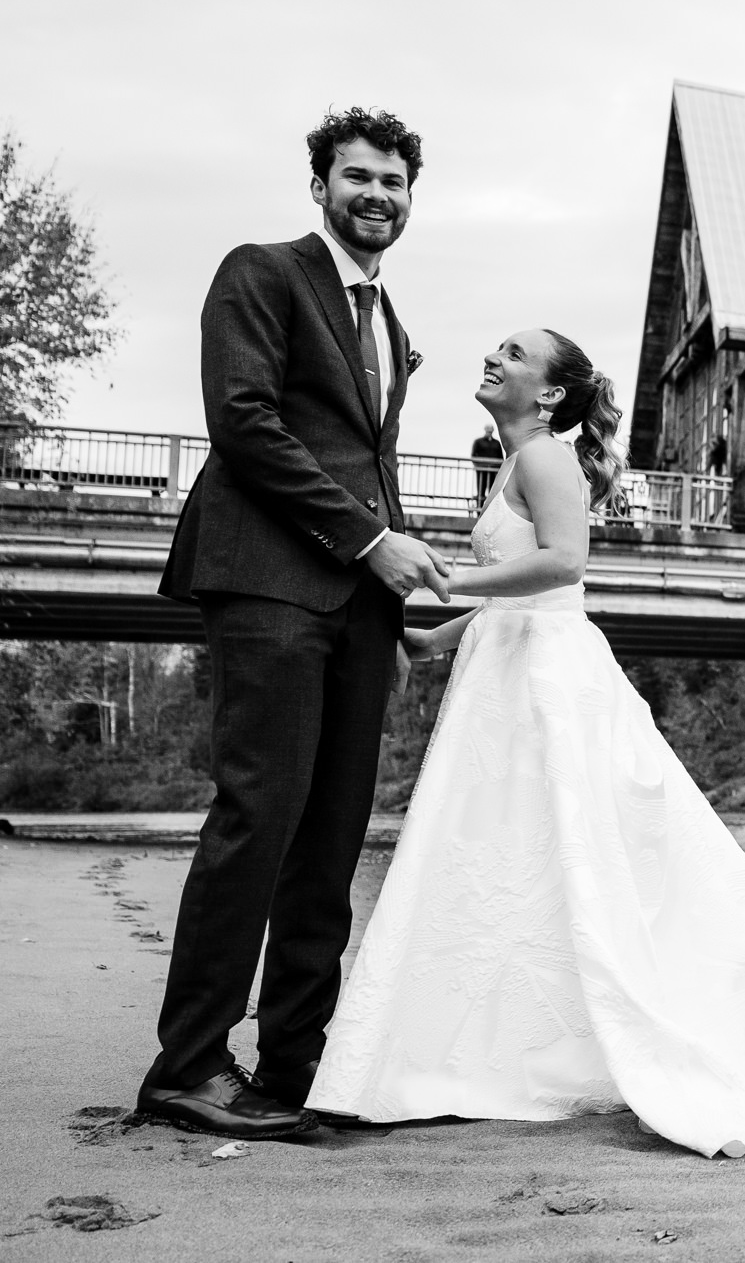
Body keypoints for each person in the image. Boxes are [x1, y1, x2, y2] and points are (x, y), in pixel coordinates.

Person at [306, 330, 745, 1156]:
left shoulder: (544, 459)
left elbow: (564, 567)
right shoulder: (513, 458)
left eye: (514, 353)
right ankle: (494, 1050)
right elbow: (521, 595)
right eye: (494, 346)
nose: (493, 357)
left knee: (584, 855)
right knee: (515, 857)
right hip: (509, 669)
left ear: (547, 395)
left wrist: (445, 577)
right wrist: (433, 639)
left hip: (550, 686)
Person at [142, 109, 452, 1139]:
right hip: (268, 582)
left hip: (360, 605)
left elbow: (372, 462)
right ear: (319, 184)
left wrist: (395, 587)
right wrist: (371, 542)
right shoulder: (259, 273)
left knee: (331, 839)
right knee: (257, 818)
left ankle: (295, 1060)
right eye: (358, 176)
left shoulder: (390, 323)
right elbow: (244, 424)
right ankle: (188, 1067)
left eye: (395, 182)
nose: (377, 195)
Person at [469, 423, 502, 508]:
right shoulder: (478, 442)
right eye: (488, 431)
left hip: (493, 472)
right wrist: (478, 466)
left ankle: (490, 510)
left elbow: (501, 458)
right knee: (481, 490)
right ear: (485, 431)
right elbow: (473, 456)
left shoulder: (496, 443)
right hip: (481, 471)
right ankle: (479, 509)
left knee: (492, 492)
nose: (489, 433)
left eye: (491, 431)